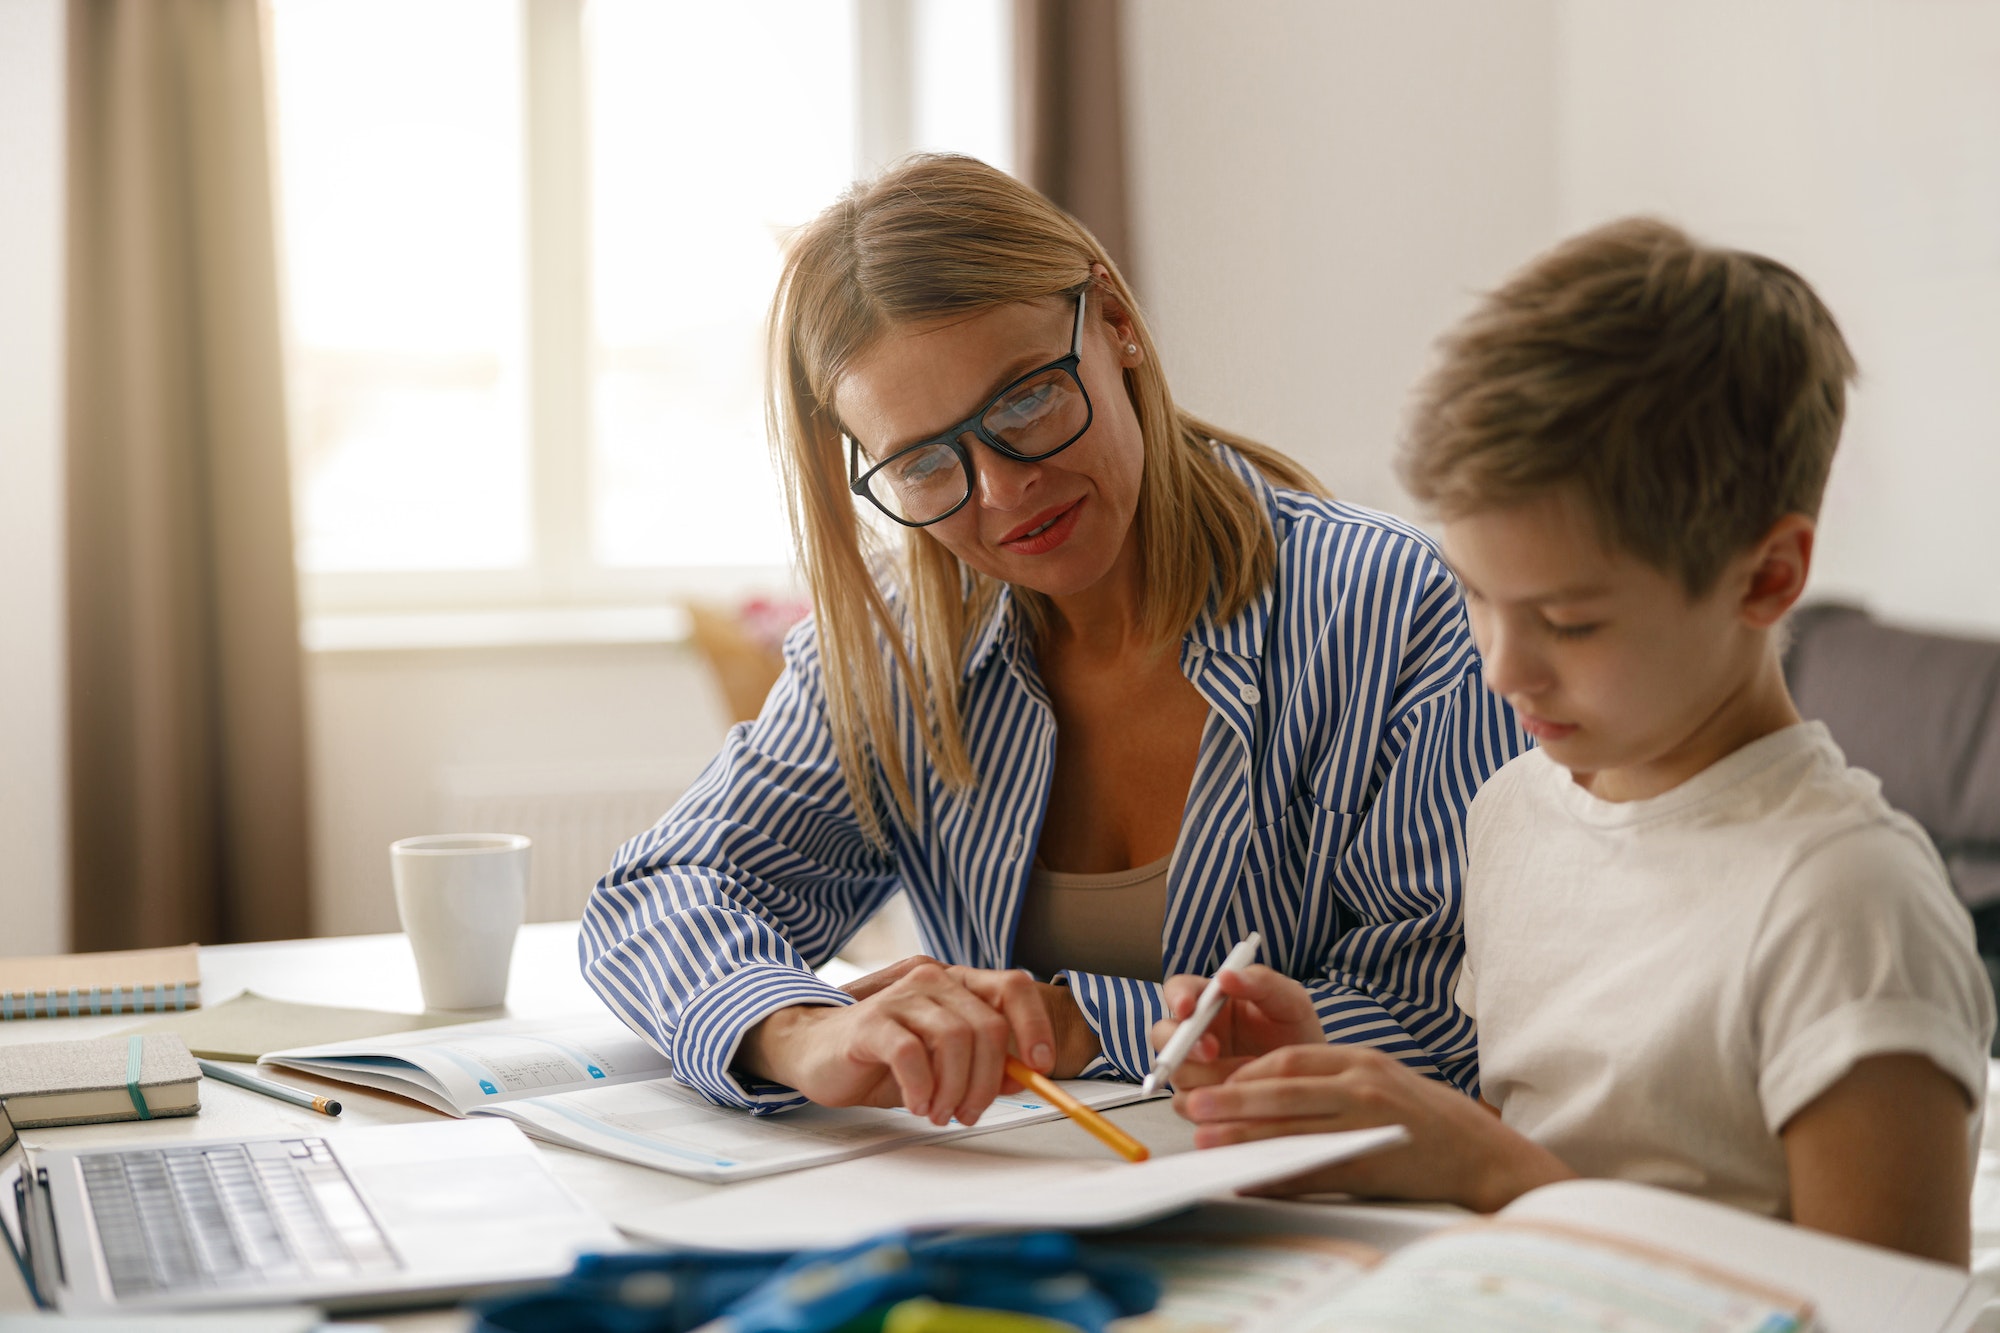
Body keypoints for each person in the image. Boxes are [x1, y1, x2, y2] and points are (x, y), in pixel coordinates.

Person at [580, 154, 1525, 1131]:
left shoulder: (1407, 611)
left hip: (1332, 1221)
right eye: (921, 463)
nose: (996, 492)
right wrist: (801, 1031)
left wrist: (1075, 1025)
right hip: (1009, 1219)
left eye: (1025, 400)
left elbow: (1449, 1022)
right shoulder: (894, 647)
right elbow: (660, 893)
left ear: (1113, 321)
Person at [1156, 218, 1995, 1263]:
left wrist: (1489, 1169)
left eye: (1569, 621)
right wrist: (1328, 1078)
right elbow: (1557, 1138)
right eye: (1473, 594)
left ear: (1767, 576)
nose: (1501, 668)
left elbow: (1885, 1310)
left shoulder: (1843, 905)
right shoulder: (1515, 807)